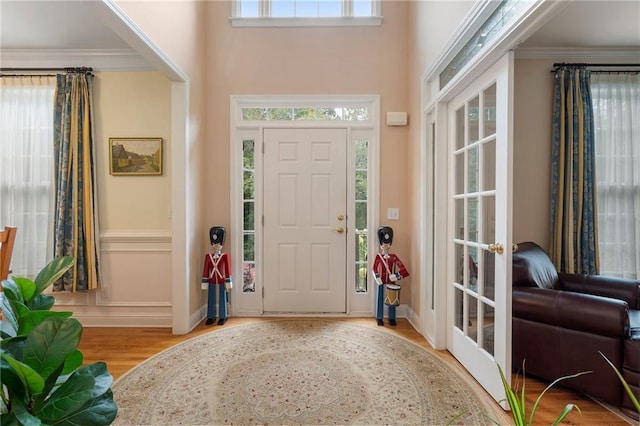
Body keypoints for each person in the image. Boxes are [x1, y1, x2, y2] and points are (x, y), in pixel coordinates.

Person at [371, 226, 409, 326]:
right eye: (384, 244)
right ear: (380, 244)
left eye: (387, 244)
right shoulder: (378, 257)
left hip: (391, 281)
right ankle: (379, 317)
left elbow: (404, 271)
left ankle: (392, 318)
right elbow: (374, 268)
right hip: (381, 280)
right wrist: (377, 277)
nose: (386, 246)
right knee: (380, 298)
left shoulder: (394, 257)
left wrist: (396, 276)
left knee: (392, 300)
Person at [201, 226, 232, 325]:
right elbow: (206, 269)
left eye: (218, 244)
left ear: (221, 244)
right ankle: (210, 316)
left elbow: (227, 269)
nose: (216, 246)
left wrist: (228, 281)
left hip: (221, 279)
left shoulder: (224, 256)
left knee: (222, 297)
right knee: (210, 298)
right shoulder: (208, 257)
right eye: (214, 244)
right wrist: (204, 281)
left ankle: (223, 316)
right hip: (212, 279)